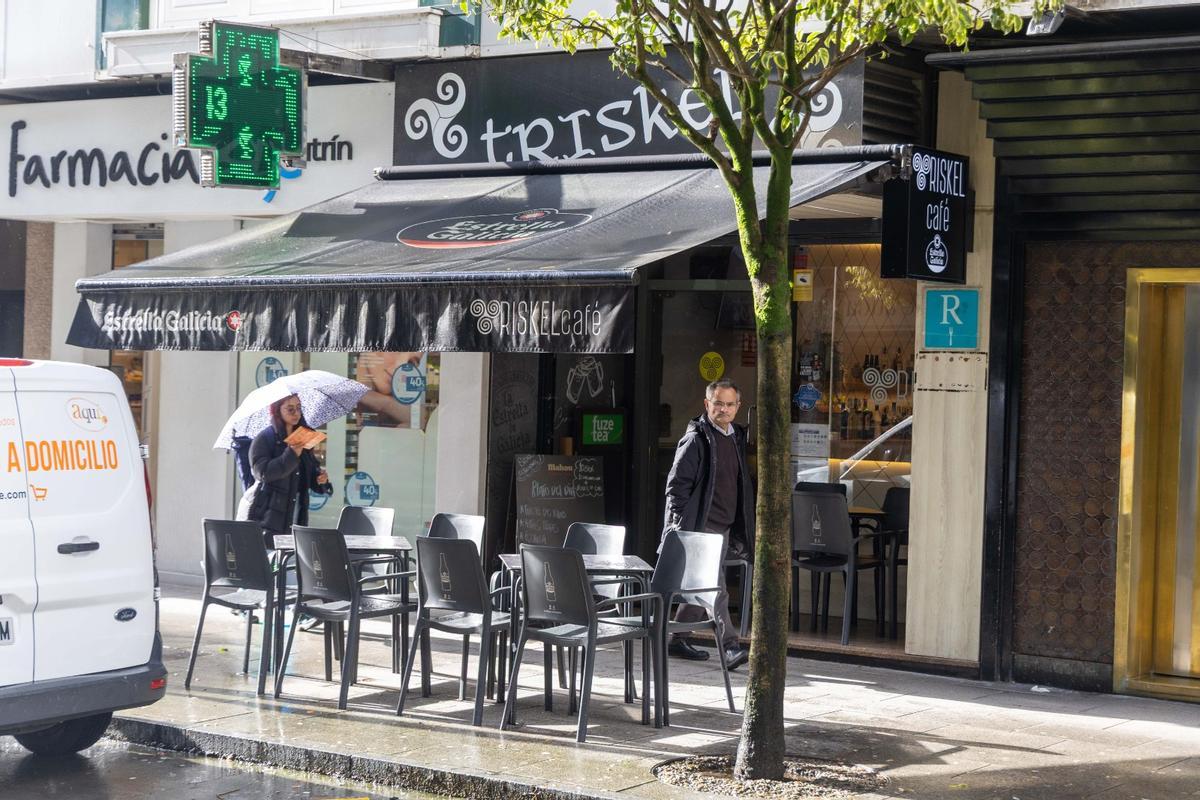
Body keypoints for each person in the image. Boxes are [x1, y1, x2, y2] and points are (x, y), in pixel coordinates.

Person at [661, 378, 754, 670]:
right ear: (707, 405)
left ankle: (676, 638)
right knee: (715, 587)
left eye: (729, 404)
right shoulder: (697, 439)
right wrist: (681, 528)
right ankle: (729, 647)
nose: (723, 410)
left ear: (737, 407)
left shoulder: (735, 438)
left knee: (700, 585)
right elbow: (676, 487)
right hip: (699, 528)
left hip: (723, 527)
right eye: (718, 404)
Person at [237, 394, 333, 545]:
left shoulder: (302, 435)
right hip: (267, 518)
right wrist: (292, 454)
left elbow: (306, 475)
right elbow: (262, 472)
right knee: (271, 563)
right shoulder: (264, 438)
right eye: (290, 409)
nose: (296, 413)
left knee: (290, 563)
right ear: (277, 410)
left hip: (296, 516)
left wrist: (320, 480)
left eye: (299, 408)